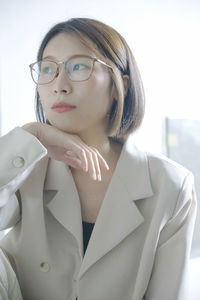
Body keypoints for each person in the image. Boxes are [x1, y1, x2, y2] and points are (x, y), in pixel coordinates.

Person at [0, 17, 196, 300]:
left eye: (78, 66)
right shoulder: (25, 167)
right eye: (47, 68)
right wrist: (32, 134)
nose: (59, 85)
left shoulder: (171, 184)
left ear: (121, 85)